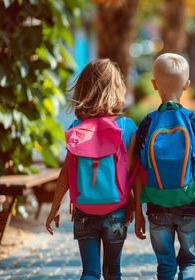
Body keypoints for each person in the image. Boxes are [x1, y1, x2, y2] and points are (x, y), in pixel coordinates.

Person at [45, 59, 138, 279]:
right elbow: (131, 174)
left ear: (83, 90)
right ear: (118, 90)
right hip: (116, 210)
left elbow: (66, 173)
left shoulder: (76, 128)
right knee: (113, 270)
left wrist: (54, 208)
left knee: (90, 271)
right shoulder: (127, 127)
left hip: (84, 210)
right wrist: (134, 205)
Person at [132, 53, 195, 280]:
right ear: (187, 85)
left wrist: (138, 210)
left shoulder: (147, 123)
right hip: (189, 203)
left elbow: (139, 172)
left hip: (157, 206)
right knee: (188, 262)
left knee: (165, 266)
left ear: (154, 84)